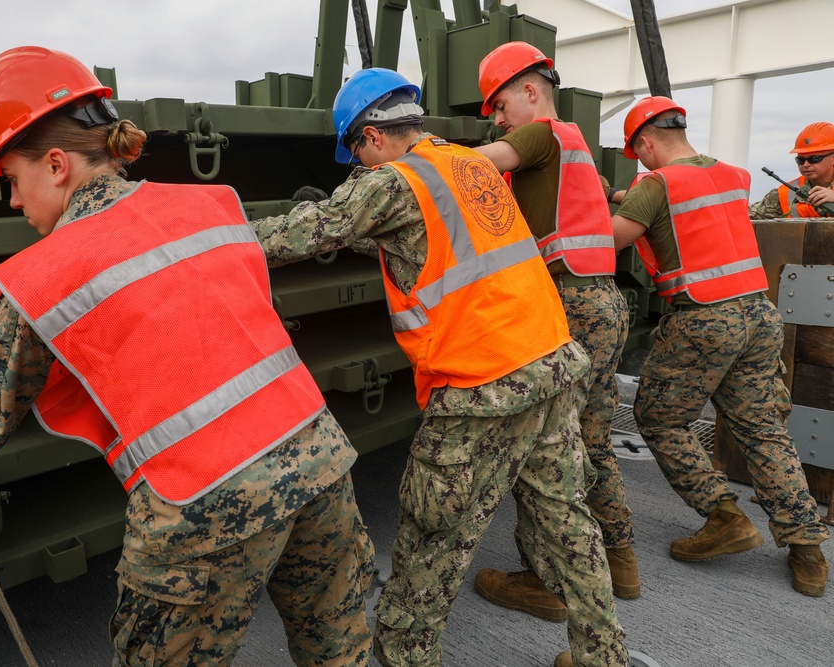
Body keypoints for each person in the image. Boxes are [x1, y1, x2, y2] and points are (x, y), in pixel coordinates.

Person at [0, 46, 375, 666]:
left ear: (55, 163)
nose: (12, 203)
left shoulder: (44, 275)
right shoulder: (212, 205)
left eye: (11, 181)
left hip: (202, 502)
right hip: (319, 461)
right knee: (340, 653)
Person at [250, 66, 628, 667]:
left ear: (372, 137)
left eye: (355, 154)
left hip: (482, 386)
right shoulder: (471, 162)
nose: (358, 168)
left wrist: (204, 240)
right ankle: (601, 655)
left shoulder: (390, 181)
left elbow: (292, 237)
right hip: (550, 363)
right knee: (567, 523)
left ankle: (405, 657)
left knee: (432, 543)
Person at [610, 95, 829, 598]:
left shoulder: (656, 182)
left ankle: (722, 515)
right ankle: (808, 553)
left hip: (705, 319)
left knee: (661, 417)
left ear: (645, 141)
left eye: (637, 152)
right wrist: (623, 194)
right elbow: (684, 211)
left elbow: (611, 239)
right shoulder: (731, 176)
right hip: (758, 315)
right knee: (762, 430)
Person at [470, 41, 639, 621]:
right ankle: (619, 560)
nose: (496, 119)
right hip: (605, 303)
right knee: (591, 439)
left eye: (498, 106)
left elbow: (473, 167)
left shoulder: (541, 135)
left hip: (566, 304)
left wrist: (418, 153)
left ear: (529, 90)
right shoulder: (576, 146)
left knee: (546, 449)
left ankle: (546, 582)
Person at [748, 121, 834, 219]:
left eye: (814, 159)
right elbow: (743, 218)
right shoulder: (783, 195)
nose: (806, 164)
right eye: (800, 160)